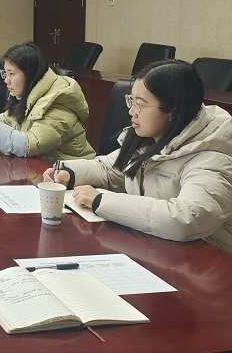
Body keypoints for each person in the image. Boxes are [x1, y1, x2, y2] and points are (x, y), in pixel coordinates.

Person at [43, 60, 232, 252]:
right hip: (157, 248)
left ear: (172, 111)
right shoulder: (153, 137)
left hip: (209, 259)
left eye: (140, 104)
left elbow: (186, 219)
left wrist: (101, 201)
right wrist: (69, 173)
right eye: (131, 100)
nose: (131, 111)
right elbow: (112, 169)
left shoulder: (213, 156)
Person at [0, 42, 95, 162]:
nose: (6, 80)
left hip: (71, 175)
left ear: (30, 74)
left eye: (11, 74)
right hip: (40, 169)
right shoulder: (28, 94)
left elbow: (29, 145)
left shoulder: (58, 102)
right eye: (5, 73)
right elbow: (7, 120)